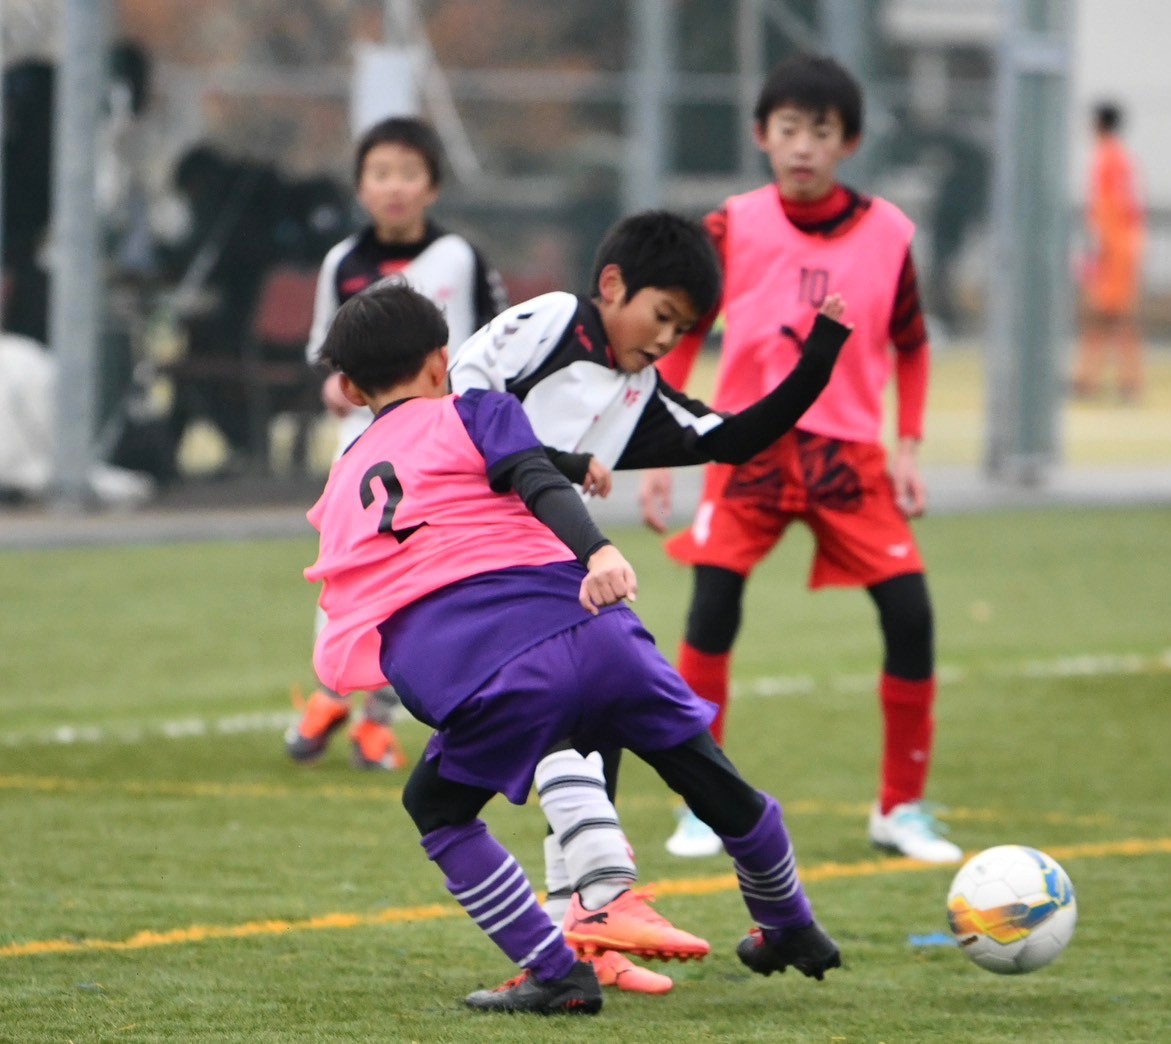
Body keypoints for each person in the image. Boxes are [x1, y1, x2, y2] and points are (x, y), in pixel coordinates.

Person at [304, 282, 843, 1016]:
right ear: (439, 362)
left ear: (348, 388)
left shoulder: (343, 481)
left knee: (437, 806)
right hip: (594, 624)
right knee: (707, 774)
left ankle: (557, 971)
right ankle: (789, 923)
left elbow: (351, 592)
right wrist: (597, 550)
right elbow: (530, 475)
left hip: (485, 664)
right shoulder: (476, 409)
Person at [448, 209, 851, 994]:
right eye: (660, 314)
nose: (667, 338)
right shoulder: (552, 320)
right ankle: (614, 906)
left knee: (595, 723)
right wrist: (562, 462)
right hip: (470, 569)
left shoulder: (636, 389)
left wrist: (819, 361)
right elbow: (462, 405)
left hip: (549, 578)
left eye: (683, 327)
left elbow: (731, 438)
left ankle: (585, 937)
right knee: (570, 727)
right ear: (610, 285)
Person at [638, 53, 962, 865]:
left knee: (910, 615)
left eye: (821, 130)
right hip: (746, 447)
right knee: (712, 610)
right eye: (788, 128)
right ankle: (703, 807)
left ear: (848, 141)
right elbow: (679, 333)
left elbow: (912, 343)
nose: (803, 145)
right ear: (762, 136)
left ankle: (900, 808)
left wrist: (909, 446)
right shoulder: (730, 227)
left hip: (846, 460)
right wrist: (663, 447)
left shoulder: (889, 234)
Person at [285, 116, 508, 772]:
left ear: (432, 186)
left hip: (441, 451)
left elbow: (499, 339)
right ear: (361, 186)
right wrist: (336, 387)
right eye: (380, 174)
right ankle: (331, 693)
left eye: (409, 174)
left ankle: (376, 720)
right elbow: (326, 354)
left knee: (420, 580)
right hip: (363, 447)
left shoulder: (460, 258)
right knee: (348, 569)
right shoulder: (343, 262)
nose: (394, 187)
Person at [1072, 100, 1145, 404]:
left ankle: (1123, 382)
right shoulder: (1120, 156)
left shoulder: (1108, 157)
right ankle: (1090, 378)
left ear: (1100, 123)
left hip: (1114, 244)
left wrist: (1100, 244)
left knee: (1112, 315)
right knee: (1105, 315)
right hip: (1120, 243)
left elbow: (1111, 205)